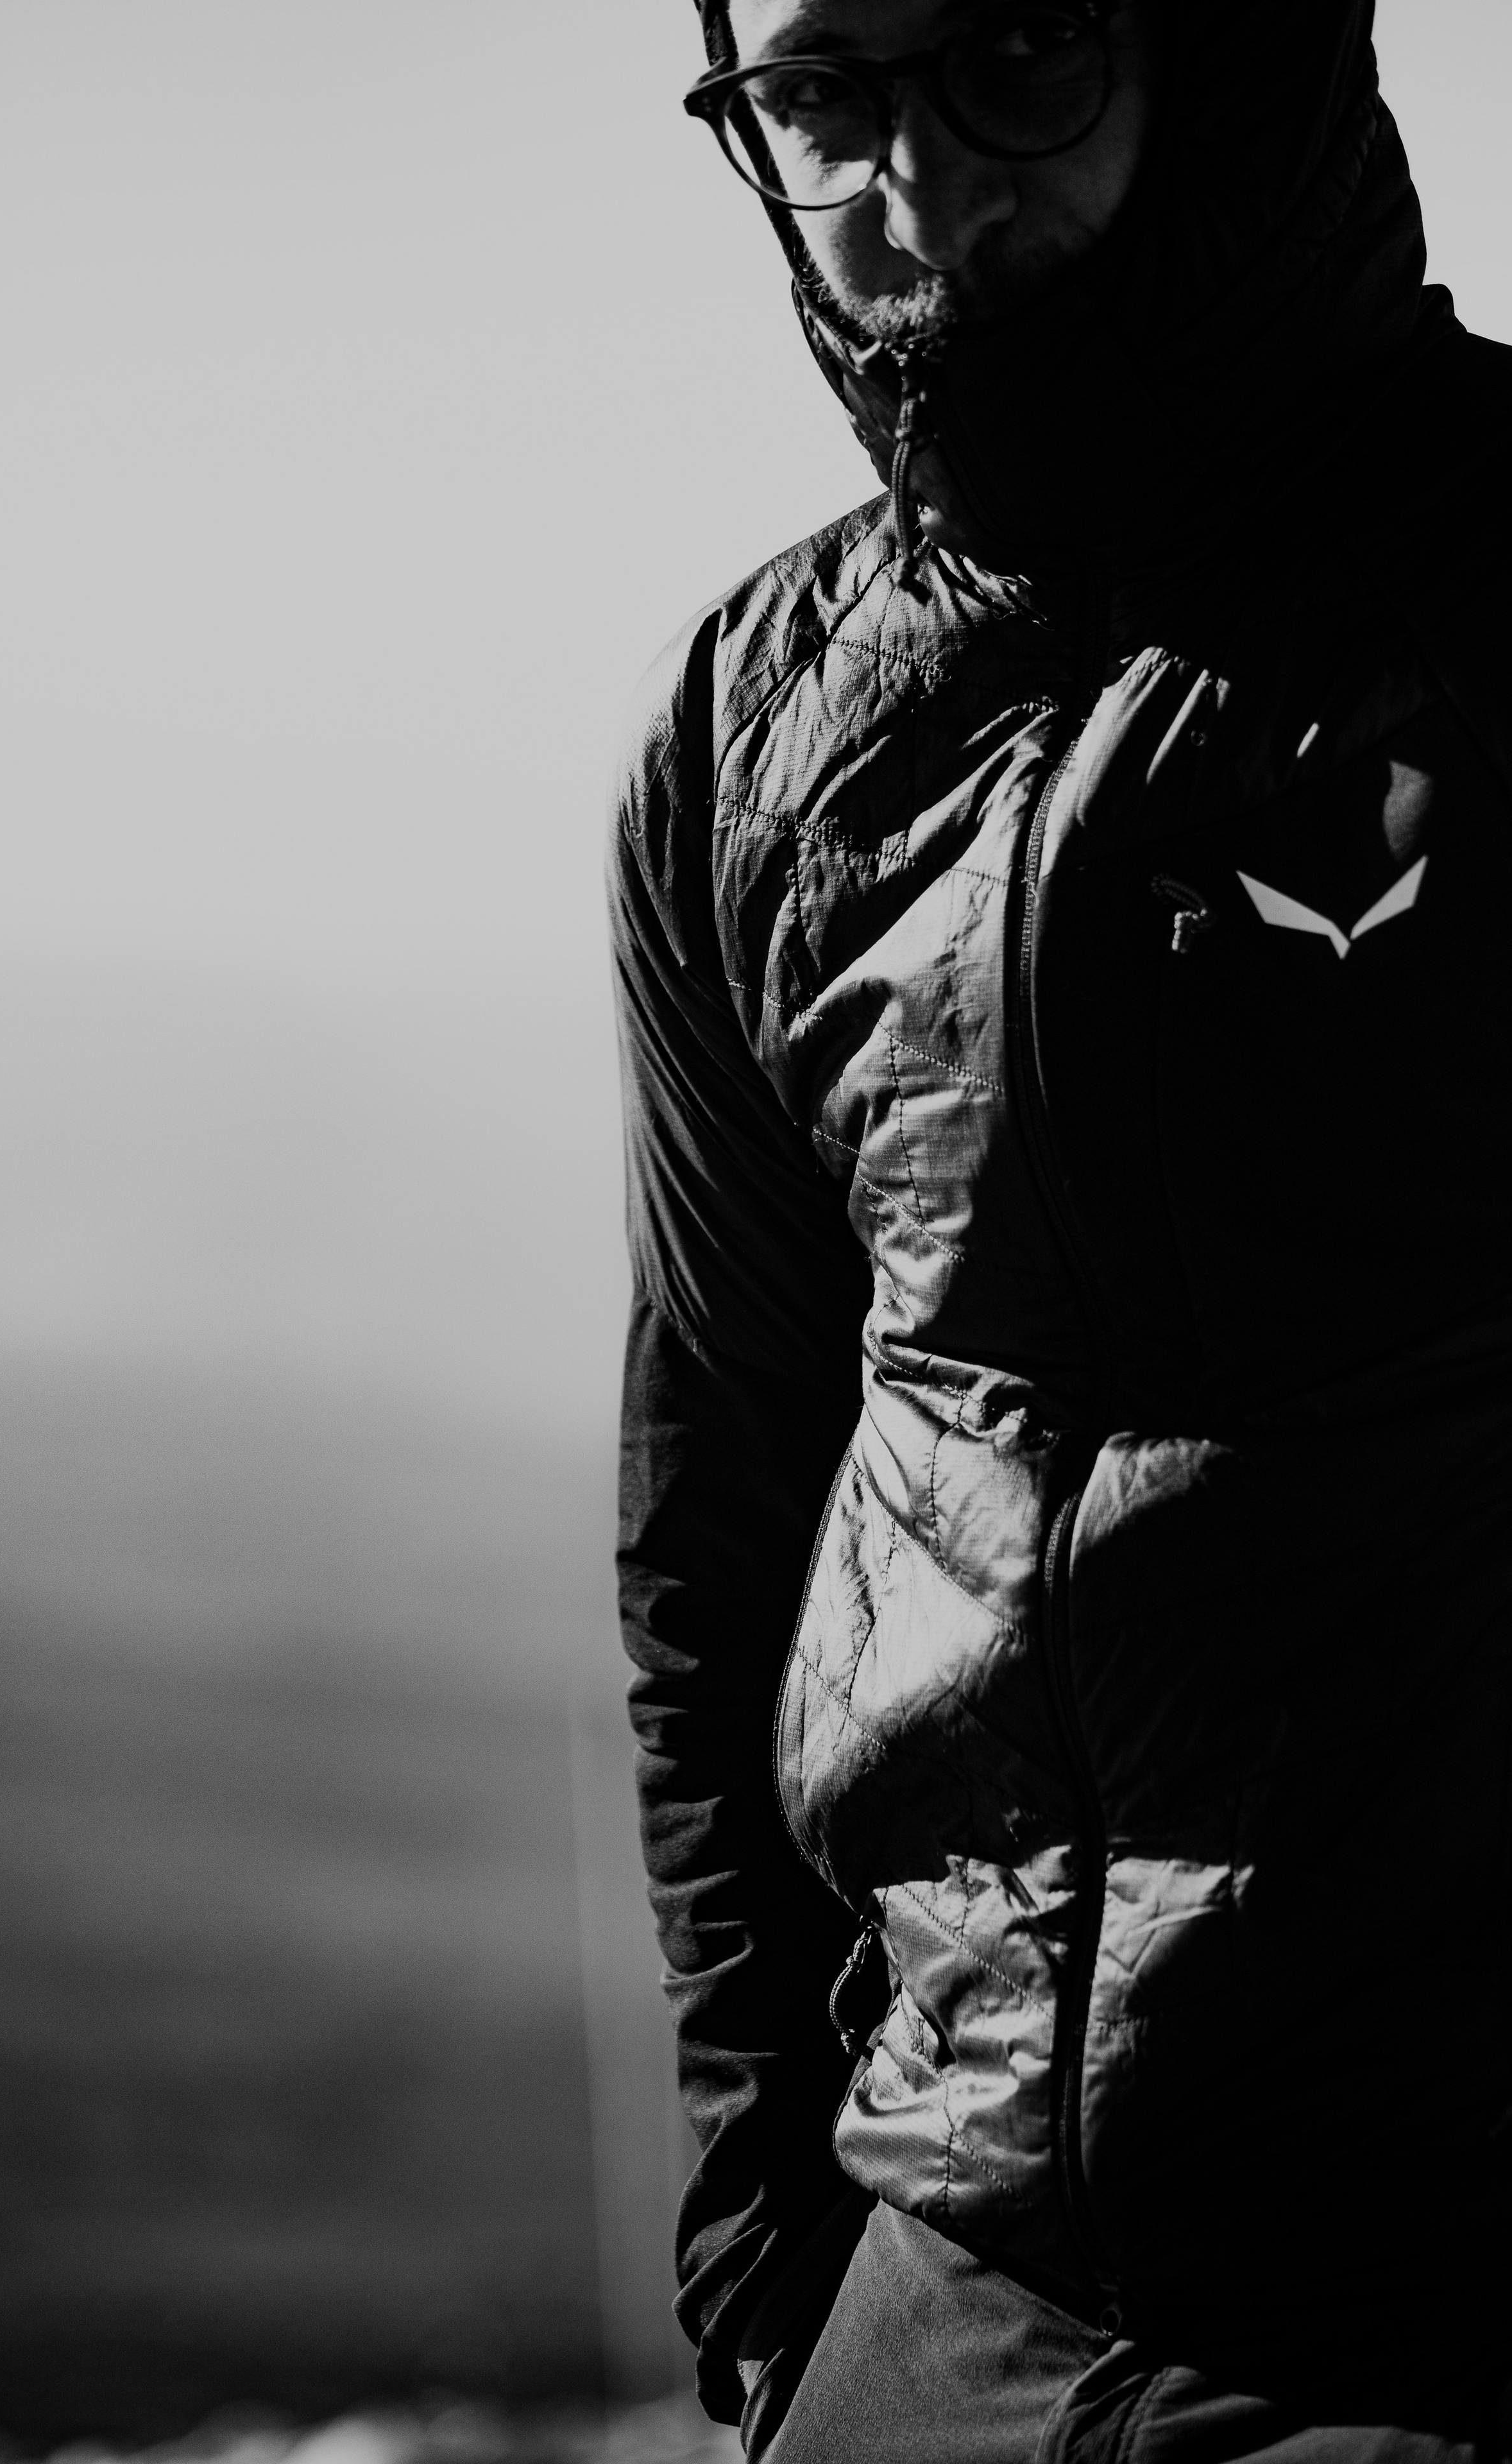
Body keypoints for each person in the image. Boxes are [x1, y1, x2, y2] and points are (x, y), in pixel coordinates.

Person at [607, 0, 1512, 2455]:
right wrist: (777, 2245)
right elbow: (733, 1504)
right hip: (949, 2283)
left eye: (1009, 57)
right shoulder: (755, 733)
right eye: (815, 100)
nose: (919, 195)